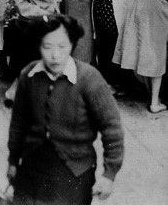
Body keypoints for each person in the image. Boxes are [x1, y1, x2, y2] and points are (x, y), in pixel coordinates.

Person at [7, 14, 124, 205]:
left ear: (72, 45)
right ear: (38, 46)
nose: (55, 55)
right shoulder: (28, 75)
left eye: (62, 46)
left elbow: (112, 129)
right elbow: (18, 123)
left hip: (75, 172)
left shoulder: (89, 78)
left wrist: (109, 174)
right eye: (47, 46)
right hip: (31, 169)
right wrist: (13, 160)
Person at [113, 0, 168, 113]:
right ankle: (155, 103)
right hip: (153, 1)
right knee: (157, 50)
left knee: (139, 46)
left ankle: (151, 93)